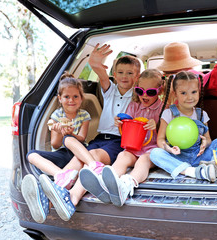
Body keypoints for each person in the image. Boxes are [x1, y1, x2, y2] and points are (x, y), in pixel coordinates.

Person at [21, 43, 142, 223]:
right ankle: (51, 199)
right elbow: (100, 72)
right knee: (79, 158)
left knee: (91, 156)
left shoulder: (138, 95)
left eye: (130, 73)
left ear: (137, 76)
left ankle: (69, 197)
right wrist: (94, 62)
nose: (125, 76)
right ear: (114, 75)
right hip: (99, 138)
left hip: (118, 141)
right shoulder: (110, 91)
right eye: (121, 72)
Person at [79, 69, 165, 207]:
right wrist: (119, 122)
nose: (144, 95)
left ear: (160, 91)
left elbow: (166, 135)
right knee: (122, 156)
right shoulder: (134, 105)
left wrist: (158, 125)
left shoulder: (164, 108)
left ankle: (127, 184)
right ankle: (105, 183)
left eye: (150, 92)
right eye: (139, 90)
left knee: (143, 160)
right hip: (133, 147)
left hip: (152, 150)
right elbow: (127, 123)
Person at [150, 71, 217, 182]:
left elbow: (208, 139)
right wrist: (169, 149)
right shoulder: (168, 114)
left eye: (194, 92)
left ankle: (212, 166)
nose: (190, 97)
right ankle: (192, 172)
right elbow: (160, 140)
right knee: (155, 153)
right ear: (175, 94)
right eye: (183, 93)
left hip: (200, 156)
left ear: (199, 92)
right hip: (178, 157)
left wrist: (205, 143)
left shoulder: (202, 114)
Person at [26, 72, 91, 190]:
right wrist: (60, 132)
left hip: (77, 153)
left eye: (75, 96)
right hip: (61, 154)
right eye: (67, 97)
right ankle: (61, 174)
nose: (71, 100)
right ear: (60, 99)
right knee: (31, 155)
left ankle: (66, 178)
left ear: (81, 99)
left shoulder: (84, 115)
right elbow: (55, 144)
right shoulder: (56, 116)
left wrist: (71, 134)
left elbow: (82, 138)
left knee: (69, 139)